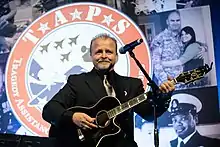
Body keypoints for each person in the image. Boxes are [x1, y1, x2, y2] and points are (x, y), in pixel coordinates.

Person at [42, 33, 175, 147]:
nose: (104, 56)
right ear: (91, 56)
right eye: (99, 52)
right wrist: (73, 117)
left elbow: (149, 114)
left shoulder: (132, 84)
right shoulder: (78, 82)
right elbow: (50, 109)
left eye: (109, 52)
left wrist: (164, 96)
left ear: (116, 56)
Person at [150, 10, 183, 86]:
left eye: (177, 20)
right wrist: (165, 80)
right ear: (167, 22)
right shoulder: (159, 39)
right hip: (167, 85)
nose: (175, 23)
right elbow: (155, 63)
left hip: (182, 82)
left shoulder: (182, 36)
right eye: (172, 20)